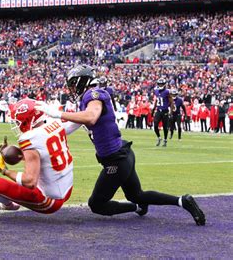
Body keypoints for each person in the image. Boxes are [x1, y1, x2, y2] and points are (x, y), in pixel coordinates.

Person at [35, 64, 205, 226]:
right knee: (137, 194)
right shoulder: (88, 98)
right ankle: (183, 201)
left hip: (116, 160)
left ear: (83, 81)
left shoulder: (92, 94)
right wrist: (42, 134)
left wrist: (56, 113)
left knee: (96, 204)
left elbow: (91, 117)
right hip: (123, 154)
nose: (71, 89)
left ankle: (136, 206)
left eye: (73, 84)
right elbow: (70, 127)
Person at [0, 99, 81, 213]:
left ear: (29, 119)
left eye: (18, 121)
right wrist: (19, 155)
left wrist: (4, 170)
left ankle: (9, 205)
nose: (17, 124)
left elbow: (30, 182)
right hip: (67, 189)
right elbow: (44, 153)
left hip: (50, 201)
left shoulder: (29, 138)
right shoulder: (54, 122)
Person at [152, 79, 174, 147]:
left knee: (165, 127)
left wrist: (171, 112)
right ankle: (159, 137)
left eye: (161, 84)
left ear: (164, 84)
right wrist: (153, 110)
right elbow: (156, 101)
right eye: (159, 84)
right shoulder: (156, 91)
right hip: (158, 110)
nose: (160, 85)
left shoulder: (167, 92)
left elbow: (171, 102)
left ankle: (165, 139)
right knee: (155, 125)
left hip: (165, 111)